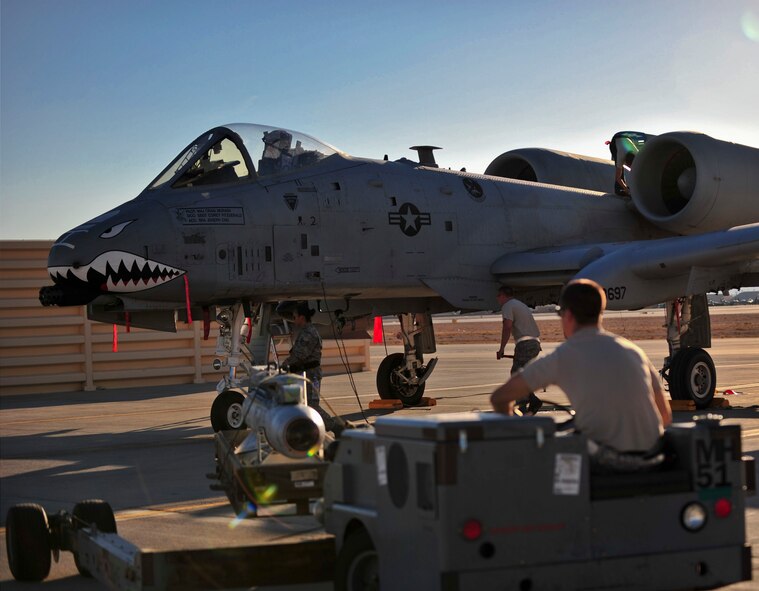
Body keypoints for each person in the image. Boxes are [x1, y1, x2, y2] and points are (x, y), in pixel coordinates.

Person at [491, 279, 672, 463]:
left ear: (568, 315)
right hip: (654, 461)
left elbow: (499, 397)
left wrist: (517, 430)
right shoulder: (634, 351)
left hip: (607, 467)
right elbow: (665, 416)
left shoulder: (563, 356)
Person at [282, 302, 336, 431]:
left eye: (295, 317)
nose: (294, 320)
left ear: (302, 317)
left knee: (312, 406)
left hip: (310, 375)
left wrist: (283, 366)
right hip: (304, 375)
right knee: (301, 405)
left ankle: (335, 427)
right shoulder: (305, 332)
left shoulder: (308, 333)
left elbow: (299, 356)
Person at [495, 286, 543, 415]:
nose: (497, 298)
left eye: (498, 295)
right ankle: (531, 401)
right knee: (521, 374)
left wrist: (502, 349)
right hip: (534, 343)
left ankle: (523, 405)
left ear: (504, 295)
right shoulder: (519, 304)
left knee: (516, 374)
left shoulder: (507, 306)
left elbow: (507, 326)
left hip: (525, 344)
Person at [606, 131, 650, 197]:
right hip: (615, 142)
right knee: (620, 171)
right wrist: (627, 190)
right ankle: (620, 190)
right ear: (625, 162)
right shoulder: (620, 157)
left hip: (625, 138)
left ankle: (626, 188)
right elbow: (617, 178)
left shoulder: (638, 155)